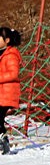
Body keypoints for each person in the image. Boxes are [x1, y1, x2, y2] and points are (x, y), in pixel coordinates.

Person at [0, 26, 23, 156]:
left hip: (7, 94)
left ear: (7, 40)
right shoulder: (2, 54)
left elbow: (13, 74)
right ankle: (2, 141)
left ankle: (3, 142)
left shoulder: (11, 54)